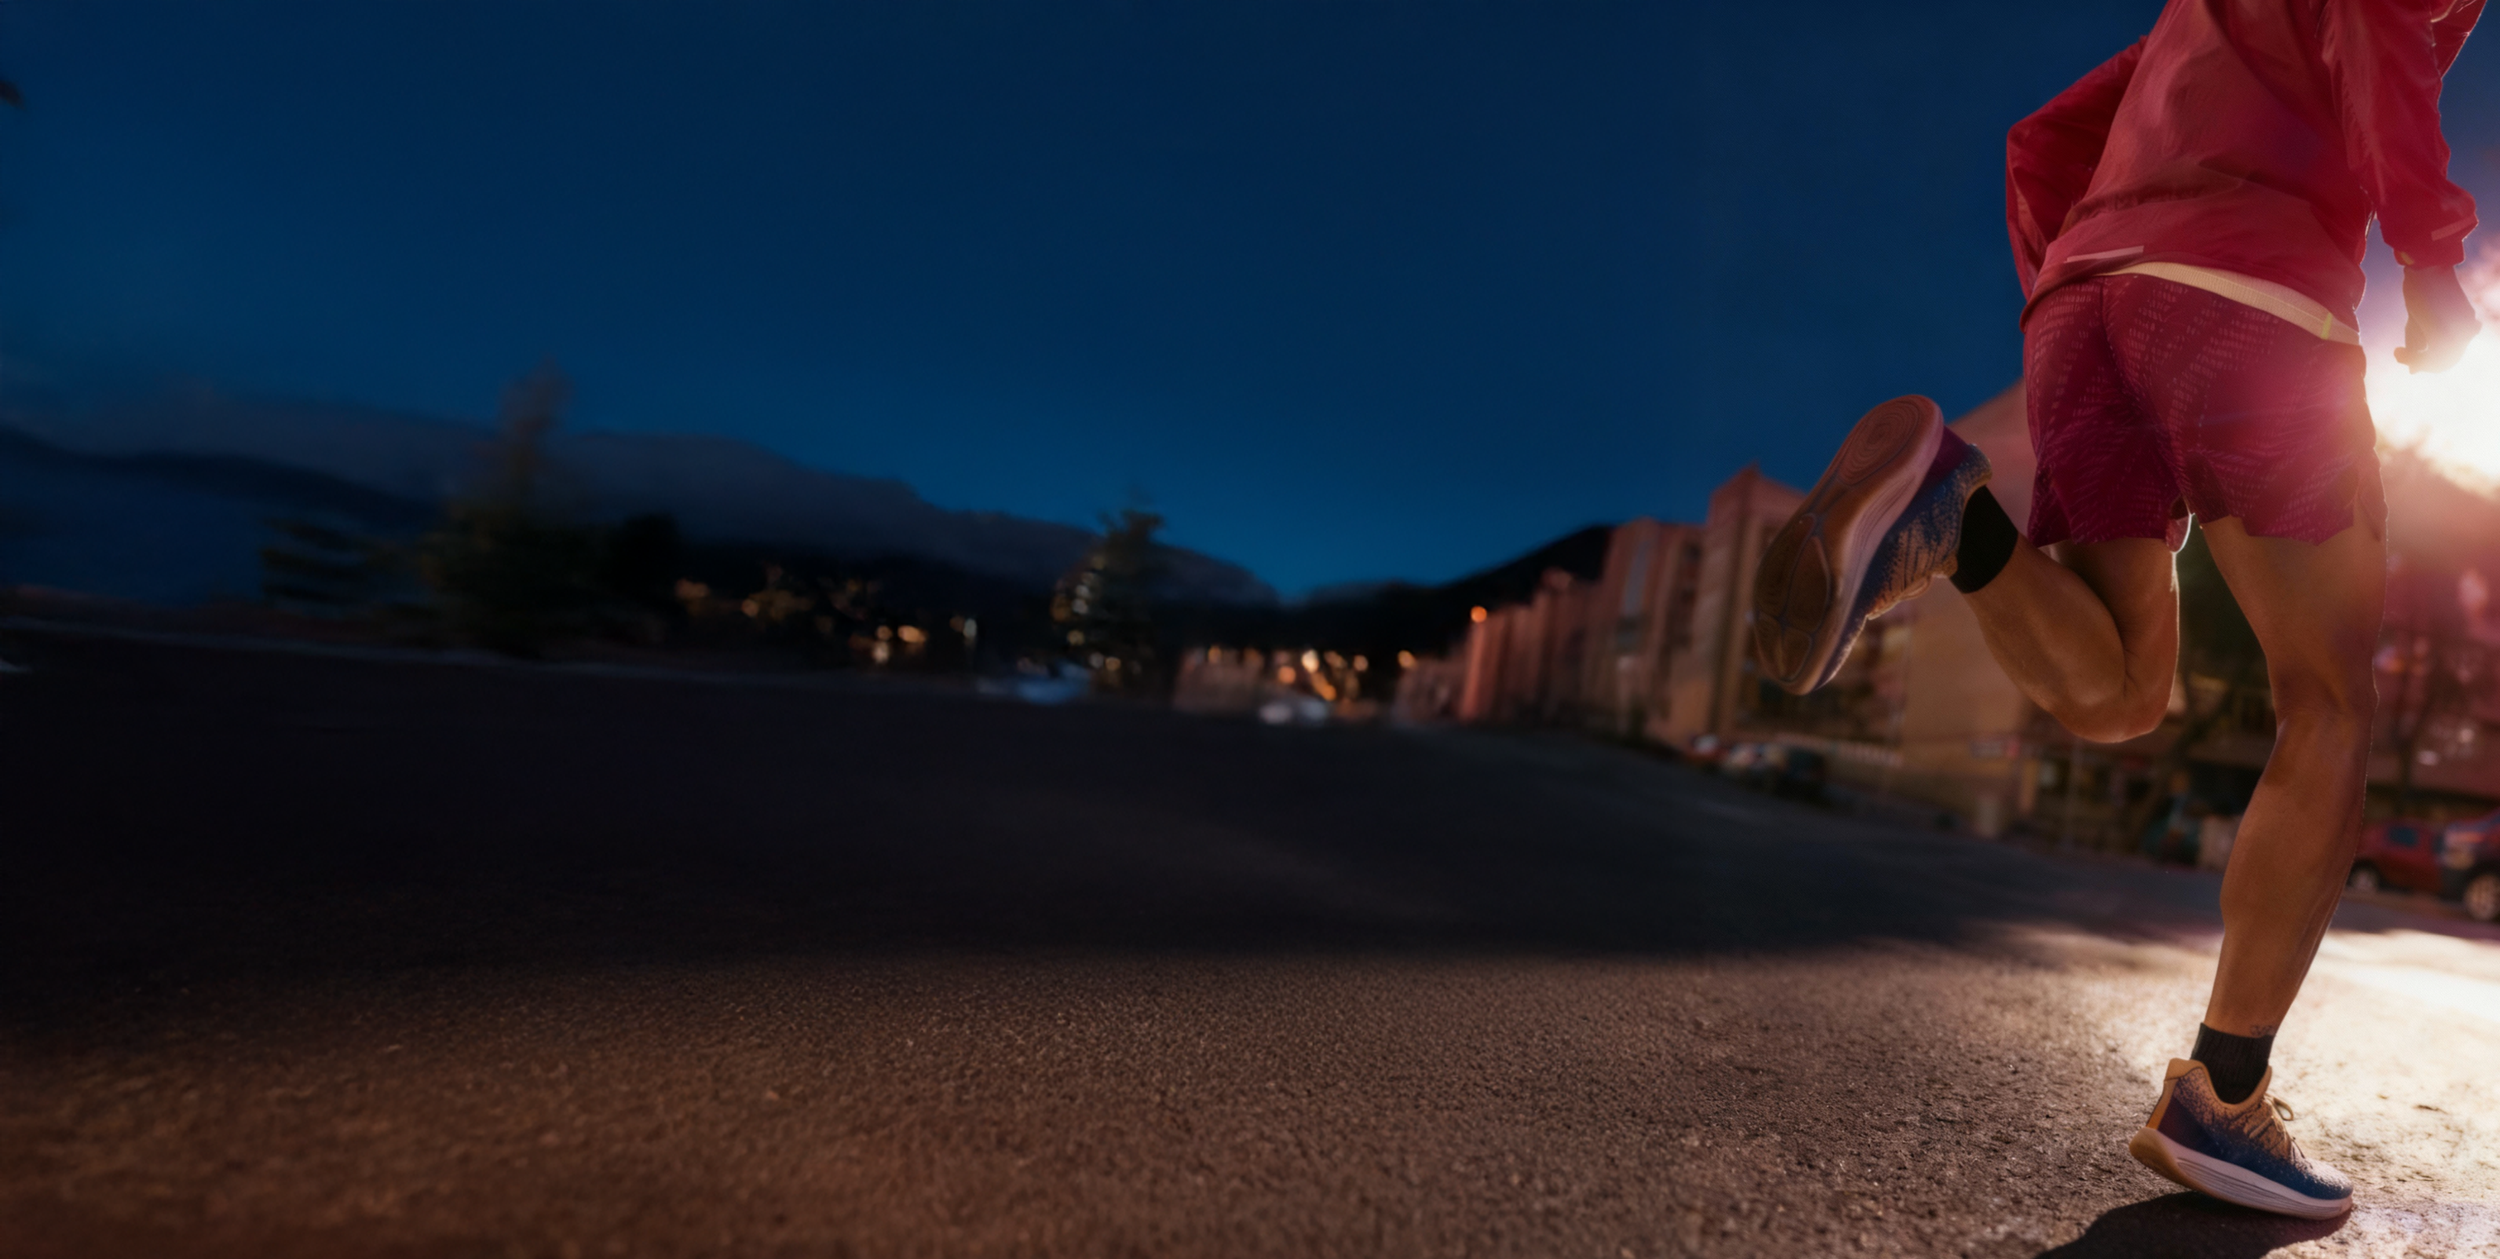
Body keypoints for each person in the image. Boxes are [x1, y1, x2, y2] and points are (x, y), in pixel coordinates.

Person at [1750, 0, 2485, 1220]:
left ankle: (1953, 511)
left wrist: (2091, 286)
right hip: (2243, 292)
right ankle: (2225, 1096)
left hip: (2080, 307)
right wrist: (2428, 256)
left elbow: (2038, 144)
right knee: (2330, 702)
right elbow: (2376, 24)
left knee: (2117, 690)